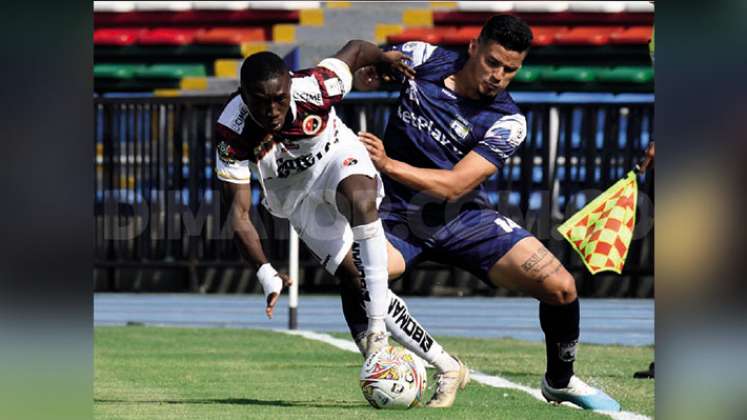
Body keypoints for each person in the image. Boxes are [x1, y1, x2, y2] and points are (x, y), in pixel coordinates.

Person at [354, 15, 621, 411]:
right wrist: (370, 77)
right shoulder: (423, 58)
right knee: (358, 273)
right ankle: (395, 359)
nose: (498, 76)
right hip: (396, 214)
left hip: (463, 218)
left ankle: (559, 382)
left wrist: (388, 164)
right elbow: (364, 73)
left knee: (562, 287)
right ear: (473, 48)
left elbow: (455, 185)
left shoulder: (508, 121)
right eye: (493, 63)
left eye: (510, 70)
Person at [214, 42, 468, 405]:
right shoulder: (231, 134)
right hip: (294, 197)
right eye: (260, 101)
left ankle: (378, 332)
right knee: (353, 278)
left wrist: (383, 58)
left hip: (336, 157)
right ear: (242, 95)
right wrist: (265, 272)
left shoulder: (317, 85)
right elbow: (237, 213)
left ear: (290, 85)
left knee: (361, 200)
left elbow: (356, 50)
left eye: (279, 99)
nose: (272, 110)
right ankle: (447, 365)